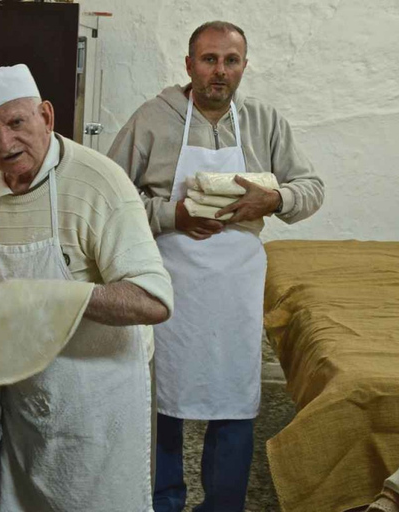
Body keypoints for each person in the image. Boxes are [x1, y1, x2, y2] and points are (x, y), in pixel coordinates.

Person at [0, 64, 174, 511]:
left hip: (96, 404)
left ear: (46, 116)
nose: (6, 144)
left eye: (17, 123)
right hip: (23, 398)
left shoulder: (100, 183)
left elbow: (153, 299)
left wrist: (57, 297)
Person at [107, 21, 324, 512]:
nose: (219, 72)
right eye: (209, 60)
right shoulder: (152, 120)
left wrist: (273, 199)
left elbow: (312, 187)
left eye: (231, 61)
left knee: (234, 394)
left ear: (244, 66)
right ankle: (162, 501)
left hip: (235, 283)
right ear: (189, 65)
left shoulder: (265, 122)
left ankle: (223, 504)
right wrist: (172, 214)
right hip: (168, 279)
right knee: (164, 396)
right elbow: (112, 199)